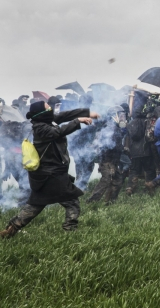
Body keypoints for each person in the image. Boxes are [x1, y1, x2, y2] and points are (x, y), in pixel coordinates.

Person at [1, 101, 98, 239]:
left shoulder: (46, 121)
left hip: (48, 174)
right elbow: (58, 132)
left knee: (35, 206)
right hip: (51, 175)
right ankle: (70, 231)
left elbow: (65, 115)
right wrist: (78, 121)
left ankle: (11, 229)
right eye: (48, 108)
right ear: (42, 112)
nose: (51, 110)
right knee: (72, 202)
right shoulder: (40, 128)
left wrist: (86, 113)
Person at [86, 106, 127, 203]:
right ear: (114, 116)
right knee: (107, 179)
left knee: (117, 180)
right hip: (107, 161)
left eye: (123, 115)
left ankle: (110, 201)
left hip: (112, 160)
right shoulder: (109, 128)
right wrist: (122, 148)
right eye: (121, 115)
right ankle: (92, 202)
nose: (123, 118)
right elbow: (109, 145)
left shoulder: (116, 127)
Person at [124, 107, 155, 196]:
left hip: (134, 152)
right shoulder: (147, 122)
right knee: (149, 170)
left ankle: (130, 188)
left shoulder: (130, 124)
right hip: (146, 151)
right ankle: (149, 186)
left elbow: (128, 137)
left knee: (134, 170)